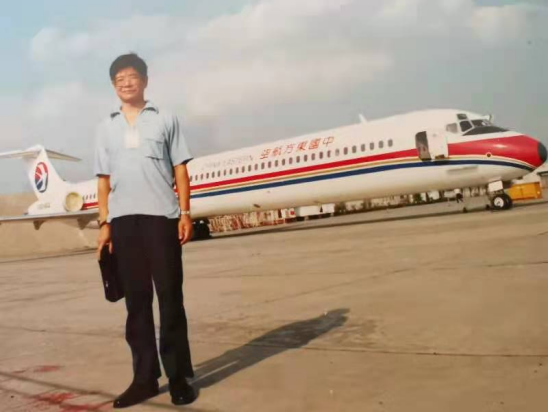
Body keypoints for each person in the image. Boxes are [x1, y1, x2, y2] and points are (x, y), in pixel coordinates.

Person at [94, 53, 196, 408]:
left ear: (145, 81)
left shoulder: (165, 118)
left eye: (132, 76)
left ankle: (179, 377)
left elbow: (180, 169)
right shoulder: (105, 127)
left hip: (161, 218)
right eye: (119, 78)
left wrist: (185, 213)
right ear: (113, 85)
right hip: (124, 222)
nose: (126, 83)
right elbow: (103, 180)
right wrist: (105, 223)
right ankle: (144, 379)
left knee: (170, 298)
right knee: (136, 302)